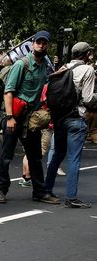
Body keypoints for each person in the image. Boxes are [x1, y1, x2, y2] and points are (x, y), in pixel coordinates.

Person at [0, 31, 59, 205]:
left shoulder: (46, 64)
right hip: (15, 115)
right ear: (33, 44)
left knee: (35, 156)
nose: (41, 45)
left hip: (32, 118)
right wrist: (9, 117)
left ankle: (39, 191)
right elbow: (9, 91)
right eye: (38, 42)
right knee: (6, 156)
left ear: (47, 45)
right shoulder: (22, 64)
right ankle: (1, 190)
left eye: (44, 43)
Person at [44, 42, 97, 208]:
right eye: (90, 53)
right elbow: (88, 99)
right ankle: (71, 197)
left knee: (57, 155)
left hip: (60, 118)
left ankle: (46, 190)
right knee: (74, 158)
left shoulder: (64, 67)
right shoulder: (88, 70)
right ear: (85, 54)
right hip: (76, 119)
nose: (91, 55)